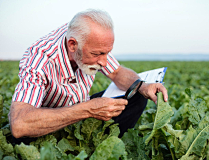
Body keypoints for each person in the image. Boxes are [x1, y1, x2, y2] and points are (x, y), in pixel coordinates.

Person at [10, 9, 168, 144]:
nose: (104, 62)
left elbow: (117, 72)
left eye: (107, 52)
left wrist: (143, 85)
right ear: (73, 45)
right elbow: (19, 124)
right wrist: (86, 110)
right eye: (97, 54)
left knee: (137, 94)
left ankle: (107, 146)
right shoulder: (39, 59)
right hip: (49, 122)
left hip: (81, 109)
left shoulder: (90, 38)